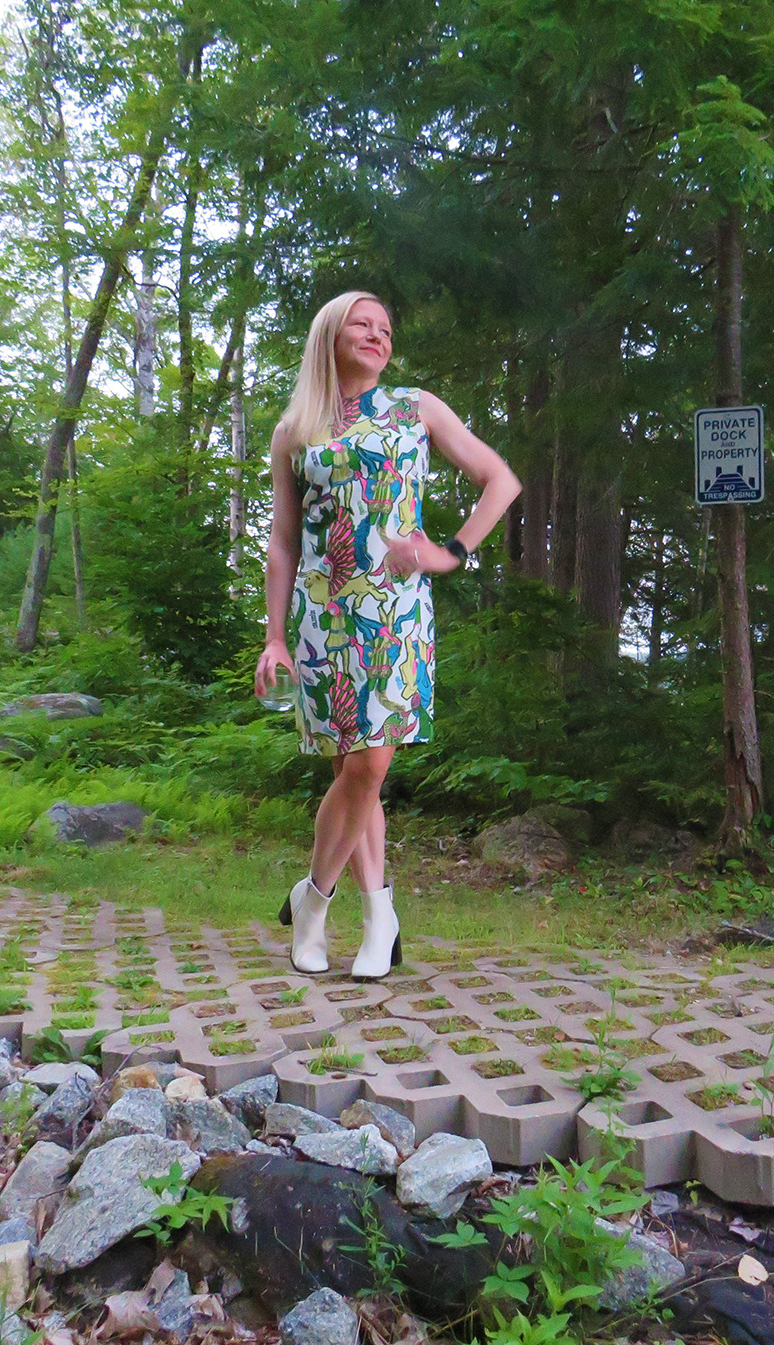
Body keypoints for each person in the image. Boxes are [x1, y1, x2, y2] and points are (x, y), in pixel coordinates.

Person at [254, 291, 521, 980]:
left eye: (386, 328)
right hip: (323, 618)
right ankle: (379, 918)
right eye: (363, 324)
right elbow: (283, 542)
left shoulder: (415, 408)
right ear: (330, 335)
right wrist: (274, 637)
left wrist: (450, 552)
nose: (378, 335)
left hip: (397, 615)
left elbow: (500, 480)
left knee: (371, 765)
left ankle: (312, 901)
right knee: (354, 771)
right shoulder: (295, 430)